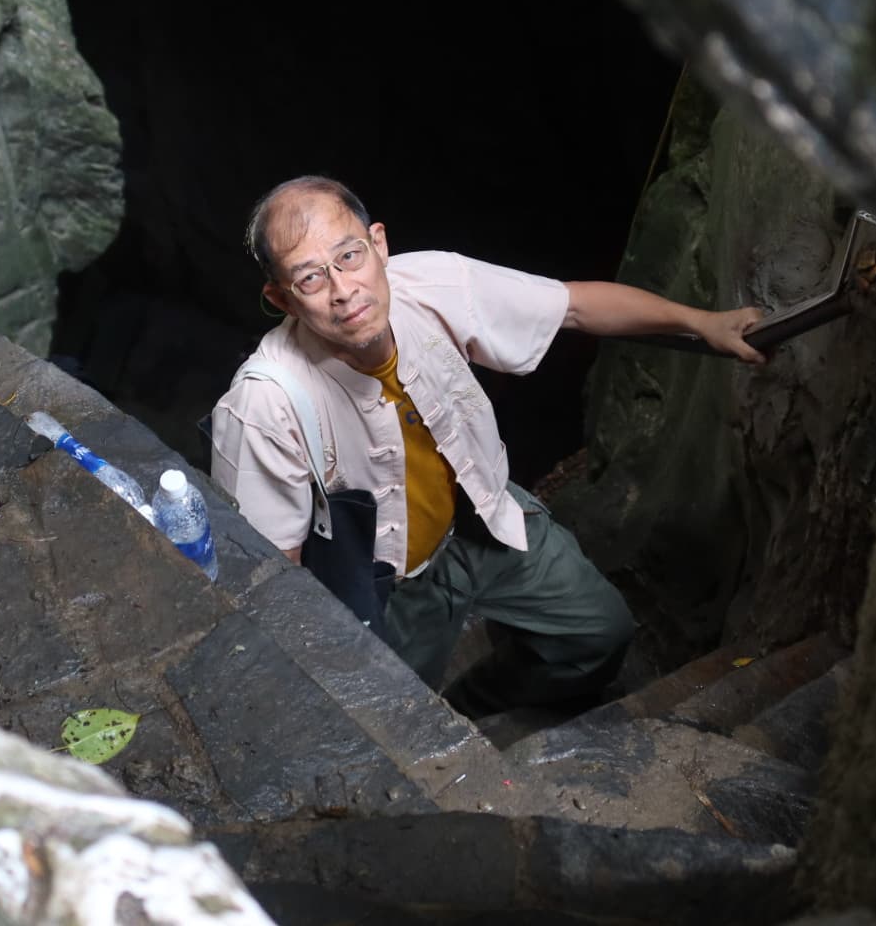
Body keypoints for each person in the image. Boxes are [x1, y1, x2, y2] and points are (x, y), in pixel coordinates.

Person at [210, 176, 763, 719]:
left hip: (478, 512)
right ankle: (442, 723)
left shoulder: (430, 285)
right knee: (395, 721)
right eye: (310, 277)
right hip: (390, 584)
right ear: (281, 298)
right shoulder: (264, 404)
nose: (343, 289)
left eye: (349, 256)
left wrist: (701, 322)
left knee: (599, 632)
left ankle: (477, 705)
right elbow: (271, 574)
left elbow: (573, 306)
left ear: (378, 244)